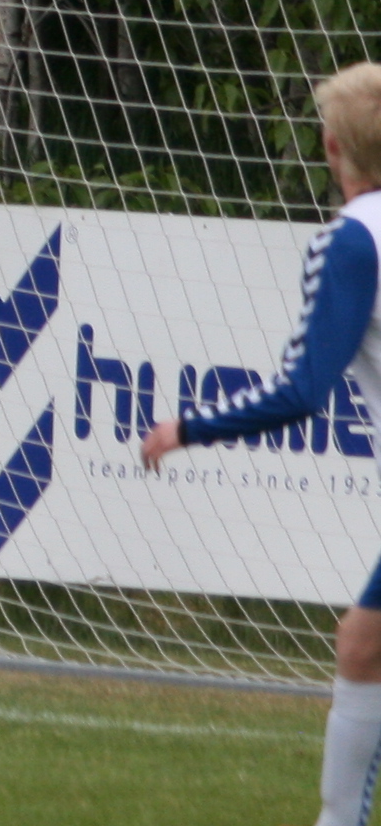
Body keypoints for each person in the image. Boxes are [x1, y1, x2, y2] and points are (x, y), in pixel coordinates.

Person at [139, 61, 381, 826]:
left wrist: (188, 427)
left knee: (362, 645)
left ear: (331, 146)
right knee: (363, 644)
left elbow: (302, 390)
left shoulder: (351, 243)